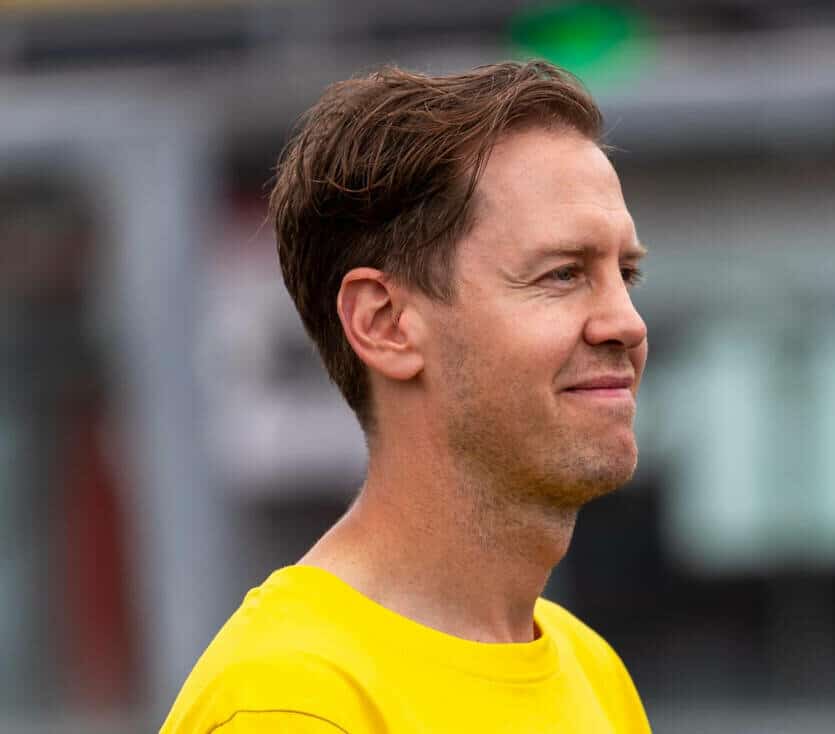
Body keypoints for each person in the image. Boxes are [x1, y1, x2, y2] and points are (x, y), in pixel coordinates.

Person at [162, 60, 651, 733]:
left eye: (626, 273)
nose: (627, 322)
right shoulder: (289, 702)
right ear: (385, 323)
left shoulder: (591, 669)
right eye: (562, 274)